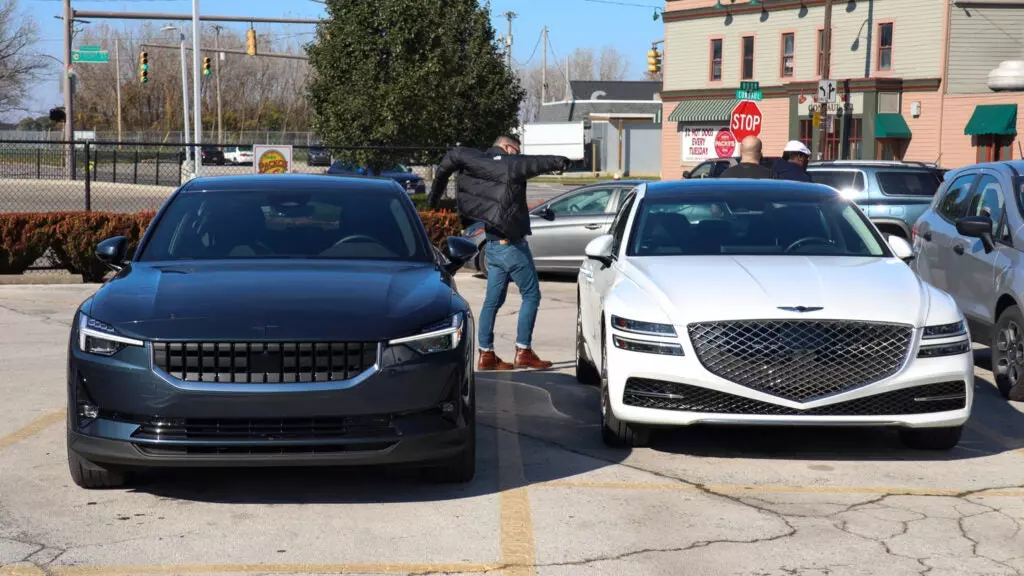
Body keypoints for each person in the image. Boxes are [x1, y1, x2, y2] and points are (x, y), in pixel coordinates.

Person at [428, 135, 570, 371]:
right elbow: (536, 163)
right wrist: (561, 161)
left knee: (492, 302)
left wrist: (434, 197)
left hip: (492, 245)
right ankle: (523, 351)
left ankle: (486, 354)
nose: (517, 154)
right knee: (532, 295)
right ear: (506, 146)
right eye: (516, 149)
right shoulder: (509, 163)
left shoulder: (475, 160)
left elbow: (449, 159)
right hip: (512, 246)